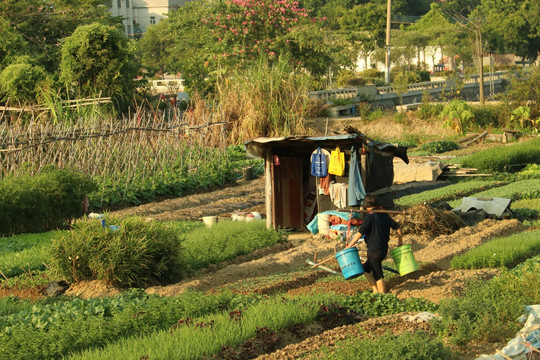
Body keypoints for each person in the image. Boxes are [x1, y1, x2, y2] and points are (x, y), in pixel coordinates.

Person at [345, 193, 403, 294]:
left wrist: (350, 245)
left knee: (378, 275)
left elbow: (360, 232)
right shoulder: (384, 215)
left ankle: (382, 296)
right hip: (383, 249)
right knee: (365, 269)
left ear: (366, 206)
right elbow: (398, 227)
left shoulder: (369, 217)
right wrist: (400, 241)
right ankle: (375, 290)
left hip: (374, 251)